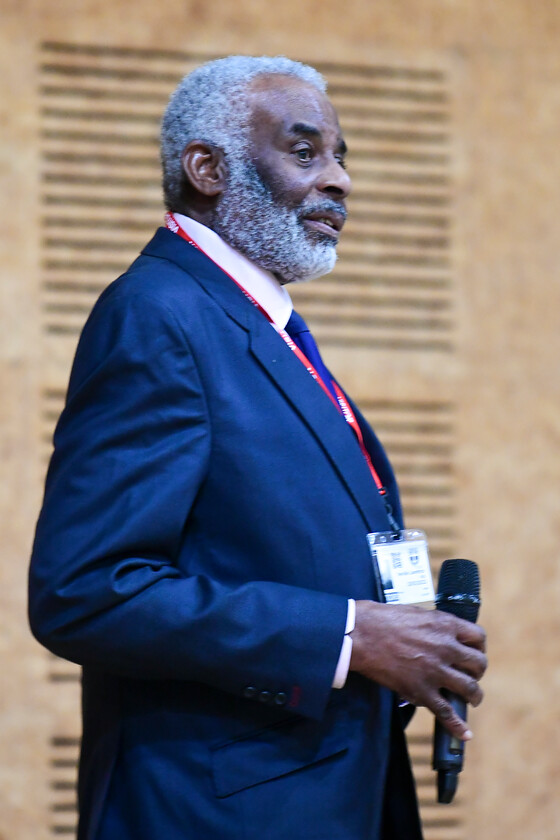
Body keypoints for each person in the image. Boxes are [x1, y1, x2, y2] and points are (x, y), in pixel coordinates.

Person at [28, 56, 487, 840]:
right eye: (305, 152)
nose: (338, 180)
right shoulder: (158, 313)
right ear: (206, 168)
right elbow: (86, 589)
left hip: (325, 794)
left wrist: (400, 645)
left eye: (342, 157)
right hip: (215, 810)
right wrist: (349, 635)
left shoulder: (259, 324)